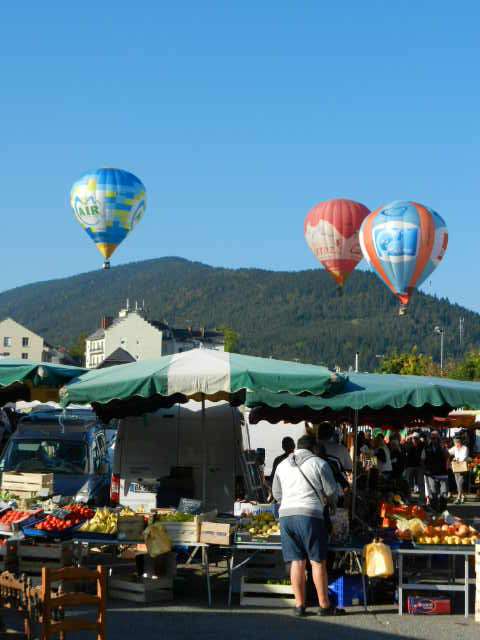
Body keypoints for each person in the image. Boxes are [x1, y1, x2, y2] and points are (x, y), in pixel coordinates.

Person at [272, 434, 343, 617]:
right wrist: (331, 504)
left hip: (286, 517)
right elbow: (332, 491)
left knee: (296, 562)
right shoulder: (319, 463)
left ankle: (299, 606)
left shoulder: (282, 465)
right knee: (317, 562)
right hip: (310, 516)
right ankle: (324, 606)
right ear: (313, 448)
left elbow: (276, 494)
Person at [422, 431, 449, 510]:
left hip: (442, 472)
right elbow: (422, 460)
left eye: (436, 438)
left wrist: (443, 447)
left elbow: (447, 456)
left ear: (438, 438)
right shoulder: (426, 447)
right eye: (432, 438)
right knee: (433, 492)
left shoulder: (442, 446)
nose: (434, 440)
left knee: (444, 492)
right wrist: (425, 470)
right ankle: (434, 508)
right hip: (431, 473)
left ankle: (443, 508)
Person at [403, 433, 425, 500]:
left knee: (420, 483)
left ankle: (421, 498)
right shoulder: (408, 445)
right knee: (408, 483)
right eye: (413, 438)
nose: (414, 439)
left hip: (419, 467)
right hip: (409, 466)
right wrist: (408, 437)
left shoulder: (422, 445)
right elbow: (403, 443)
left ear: (418, 439)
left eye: (416, 438)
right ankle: (408, 498)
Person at [449, 435, 469, 504]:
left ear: (459, 442)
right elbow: (448, 452)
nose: (455, 444)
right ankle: (463, 496)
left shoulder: (465, 448)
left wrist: (456, 459)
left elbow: (464, 457)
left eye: (456, 442)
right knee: (458, 483)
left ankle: (458, 497)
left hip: (462, 467)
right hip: (456, 468)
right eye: (455, 442)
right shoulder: (455, 448)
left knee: (460, 482)